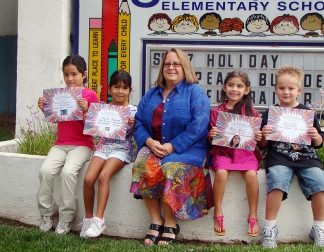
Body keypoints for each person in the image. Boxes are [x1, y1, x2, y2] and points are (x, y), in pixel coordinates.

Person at [129, 48, 213, 246]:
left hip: (188, 148)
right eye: (167, 64)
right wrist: (149, 142)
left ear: (184, 67)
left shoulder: (195, 92)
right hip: (155, 145)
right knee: (143, 164)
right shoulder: (151, 94)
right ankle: (156, 219)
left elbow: (199, 125)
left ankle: (170, 223)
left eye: (176, 64)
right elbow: (139, 122)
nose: (171, 67)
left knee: (169, 167)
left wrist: (172, 146)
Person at [258, 65, 324, 248]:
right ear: (275, 89)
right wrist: (264, 135)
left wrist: (315, 136)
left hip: (306, 156)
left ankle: (318, 228)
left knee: (318, 183)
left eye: (290, 88)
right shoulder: (270, 113)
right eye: (282, 88)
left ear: (299, 90)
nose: (286, 92)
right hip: (279, 156)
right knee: (277, 181)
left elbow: (319, 143)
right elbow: (263, 146)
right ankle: (269, 228)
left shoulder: (306, 113)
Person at [37, 55, 99, 235]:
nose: (70, 79)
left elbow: (96, 127)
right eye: (66, 75)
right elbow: (58, 119)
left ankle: (66, 217)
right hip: (60, 144)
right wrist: (45, 109)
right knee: (45, 171)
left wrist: (87, 110)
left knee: (68, 172)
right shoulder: (59, 95)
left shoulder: (90, 95)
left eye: (74, 74)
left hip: (82, 145)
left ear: (84, 74)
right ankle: (47, 214)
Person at [80, 70, 136, 238]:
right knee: (89, 178)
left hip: (122, 149)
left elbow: (135, 135)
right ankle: (88, 219)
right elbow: (93, 129)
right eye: (117, 87)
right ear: (109, 88)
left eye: (124, 88)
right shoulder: (102, 108)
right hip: (103, 147)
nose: (120, 91)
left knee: (104, 176)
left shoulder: (132, 110)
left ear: (130, 91)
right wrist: (86, 114)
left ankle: (99, 219)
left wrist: (133, 125)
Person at [208, 71, 263, 237]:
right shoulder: (216, 112)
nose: (234, 89)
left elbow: (256, 140)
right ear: (224, 87)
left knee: (252, 175)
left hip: (245, 154)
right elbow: (211, 136)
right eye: (231, 85)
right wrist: (211, 134)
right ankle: (218, 211)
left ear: (246, 90)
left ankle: (253, 214)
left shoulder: (253, 113)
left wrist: (258, 137)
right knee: (221, 173)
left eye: (239, 86)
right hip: (224, 153)